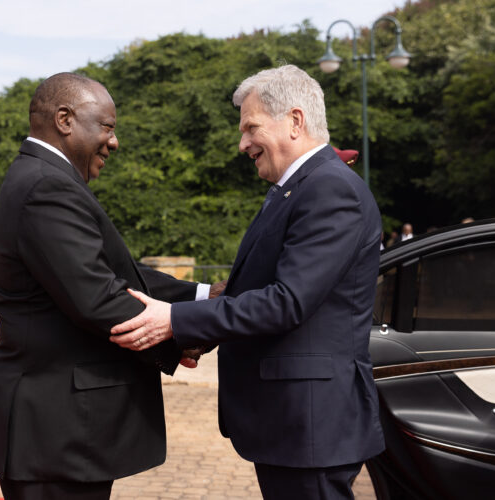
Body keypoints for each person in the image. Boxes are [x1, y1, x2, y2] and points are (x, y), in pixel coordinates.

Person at [110, 65, 385, 499]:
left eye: (251, 128)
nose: (243, 144)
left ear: (295, 121)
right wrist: (201, 330)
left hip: (309, 424)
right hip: (291, 423)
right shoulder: (297, 189)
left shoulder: (331, 190)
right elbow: (254, 290)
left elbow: (287, 302)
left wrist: (176, 321)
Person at [0, 72, 217, 500]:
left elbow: (112, 273)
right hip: (54, 430)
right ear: (65, 119)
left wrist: (202, 297)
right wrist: (184, 330)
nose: (114, 141)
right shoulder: (47, 185)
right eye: (107, 127)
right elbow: (97, 298)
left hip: (56, 429)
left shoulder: (46, 179)